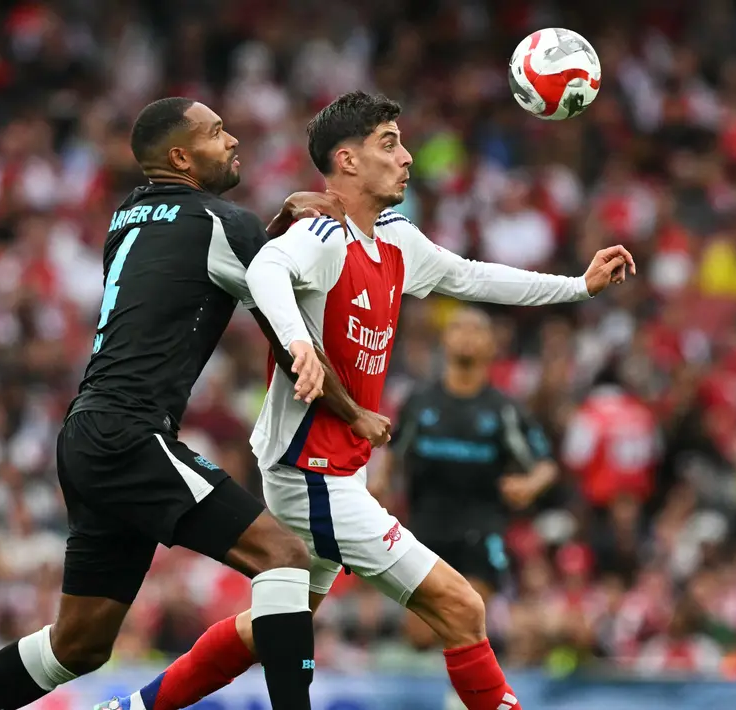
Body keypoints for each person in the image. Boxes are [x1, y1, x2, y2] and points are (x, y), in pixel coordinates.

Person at [109, 90, 633, 710]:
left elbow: (471, 275)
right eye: (389, 144)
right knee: (461, 607)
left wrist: (578, 286)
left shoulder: (395, 239)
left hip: (340, 470)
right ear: (347, 161)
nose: (407, 158)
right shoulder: (323, 235)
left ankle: (131, 708)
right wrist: (299, 343)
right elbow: (268, 269)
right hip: (309, 472)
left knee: (270, 627)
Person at [0, 97, 387, 710]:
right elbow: (286, 331)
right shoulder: (223, 224)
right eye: (216, 132)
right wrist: (354, 412)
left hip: (87, 435)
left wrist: (273, 225)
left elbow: (200, 257)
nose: (232, 141)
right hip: (130, 433)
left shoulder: (128, 216)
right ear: (181, 155)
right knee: (283, 556)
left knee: (79, 644)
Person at [371, 306, 556, 612]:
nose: (467, 337)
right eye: (459, 328)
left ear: (491, 345)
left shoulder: (504, 409)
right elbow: (392, 454)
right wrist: (378, 484)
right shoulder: (419, 403)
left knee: (469, 613)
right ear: (444, 340)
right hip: (425, 528)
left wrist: (530, 485)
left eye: (476, 330)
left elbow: (546, 464)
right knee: (421, 633)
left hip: (480, 529)